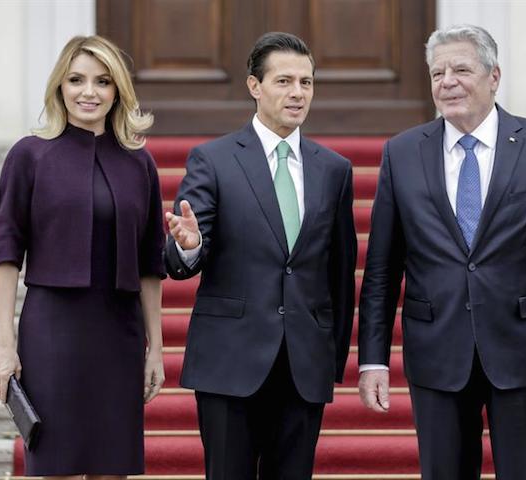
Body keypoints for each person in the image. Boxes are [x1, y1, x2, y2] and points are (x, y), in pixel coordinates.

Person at [358, 24, 526, 479]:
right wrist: (373, 359)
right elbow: (382, 270)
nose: (447, 81)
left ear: (494, 76)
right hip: (437, 351)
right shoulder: (403, 153)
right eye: (436, 73)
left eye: (461, 69)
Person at [164, 31, 357, 480]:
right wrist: (189, 247)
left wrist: (332, 356)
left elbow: (339, 271)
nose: (297, 93)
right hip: (229, 361)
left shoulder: (334, 169)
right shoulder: (212, 160)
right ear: (255, 86)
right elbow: (179, 260)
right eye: (284, 81)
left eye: (306, 83)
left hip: (304, 364)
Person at [0, 35, 166, 479]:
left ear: (117, 90)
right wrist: (4, 345)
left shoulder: (138, 163)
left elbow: (150, 263)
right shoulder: (28, 156)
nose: (89, 91)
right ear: (59, 87)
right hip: (52, 332)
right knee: (56, 466)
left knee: (112, 467)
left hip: (118, 332)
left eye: (102, 81)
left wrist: (156, 348)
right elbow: (6, 253)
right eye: (77, 80)